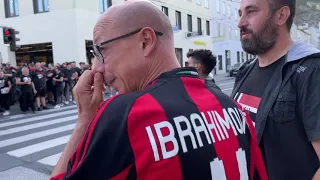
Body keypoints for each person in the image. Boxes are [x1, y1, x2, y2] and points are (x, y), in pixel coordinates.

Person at [50, 1, 267, 180]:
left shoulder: (125, 114)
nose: (97, 68)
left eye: (101, 50)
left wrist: (84, 121)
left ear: (146, 41)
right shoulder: (233, 108)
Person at [231, 0, 320, 179]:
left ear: (281, 16)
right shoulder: (245, 70)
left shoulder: (312, 72)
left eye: (251, 12)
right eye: (240, 13)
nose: (240, 23)